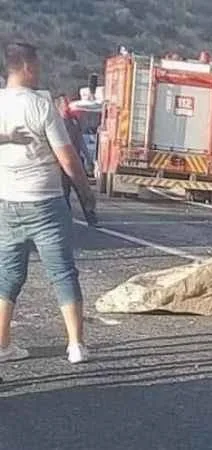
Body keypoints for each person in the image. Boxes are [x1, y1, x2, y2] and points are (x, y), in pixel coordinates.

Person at [0, 42, 94, 364]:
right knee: (63, 272)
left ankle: (2, 344)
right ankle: (76, 345)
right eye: (37, 65)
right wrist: (85, 193)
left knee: (8, 275)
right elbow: (67, 158)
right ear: (27, 67)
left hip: (7, 201)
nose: (39, 71)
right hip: (46, 203)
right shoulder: (41, 106)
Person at [54, 94, 97, 226]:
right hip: (61, 164)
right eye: (64, 103)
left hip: (77, 162)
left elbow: (80, 141)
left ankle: (91, 217)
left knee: (82, 190)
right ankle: (66, 219)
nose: (67, 106)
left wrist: (89, 158)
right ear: (58, 106)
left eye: (68, 103)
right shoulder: (55, 122)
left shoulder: (74, 121)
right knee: (64, 193)